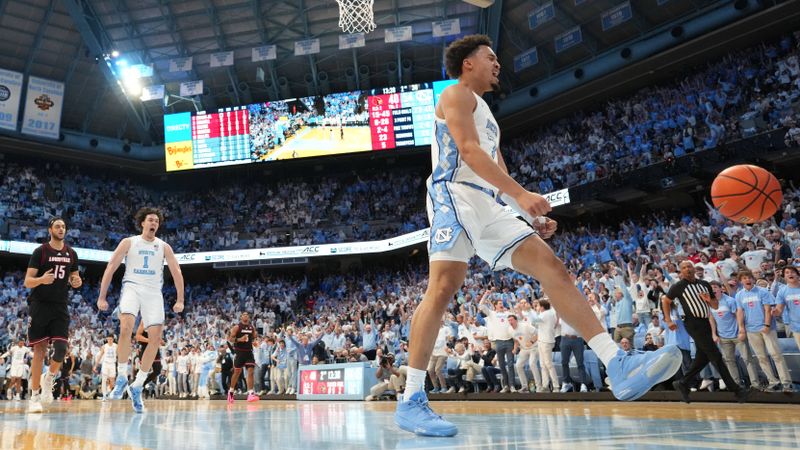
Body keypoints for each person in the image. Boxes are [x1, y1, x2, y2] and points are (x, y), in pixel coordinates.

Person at [395, 34, 682, 437]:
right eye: (490, 57)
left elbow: (499, 173)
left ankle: (616, 364)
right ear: (467, 65)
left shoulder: (488, 115)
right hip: (453, 193)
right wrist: (522, 196)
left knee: (552, 265)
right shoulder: (457, 95)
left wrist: (523, 214)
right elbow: (470, 154)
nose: (497, 64)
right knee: (443, 287)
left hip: (488, 203)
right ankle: (410, 398)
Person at [97, 207, 185, 413]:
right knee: (126, 327)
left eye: (157, 221)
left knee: (155, 339)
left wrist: (180, 299)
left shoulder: (164, 247)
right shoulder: (129, 242)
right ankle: (121, 376)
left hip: (154, 292)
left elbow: (176, 271)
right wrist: (102, 296)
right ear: (142, 223)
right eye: (150, 220)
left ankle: (137, 385)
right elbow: (111, 267)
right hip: (132, 286)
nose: (154, 223)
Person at [662, 261, 749, 403]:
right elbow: (666, 301)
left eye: (689, 266)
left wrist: (709, 300)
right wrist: (668, 320)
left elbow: (715, 306)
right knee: (716, 356)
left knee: (703, 357)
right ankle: (736, 390)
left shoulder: (704, 284)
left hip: (706, 322)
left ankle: (683, 383)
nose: (687, 269)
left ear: (694, 269)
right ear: (681, 272)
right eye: (683, 268)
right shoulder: (678, 286)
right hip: (692, 323)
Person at [22, 217, 82, 413]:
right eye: (57, 226)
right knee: (39, 351)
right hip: (40, 305)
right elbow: (28, 281)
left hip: (60, 306)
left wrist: (76, 281)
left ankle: (49, 378)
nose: (61, 229)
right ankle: (34, 396)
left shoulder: (71, 253)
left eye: (64, 226)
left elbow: (75, 276)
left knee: (61, 349)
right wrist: (41, 279)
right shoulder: (40, 251)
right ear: (50, 230)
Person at [735, 270, 792, 392]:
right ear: (741, 281)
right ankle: (773, 381)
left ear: (753, 279)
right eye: (744, 278)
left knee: (776, 355)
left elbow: (768, 309)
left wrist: (766, 325)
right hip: (751, 330)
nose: (747, 280)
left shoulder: (762, 291)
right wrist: (741, 328)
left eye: (749, 277)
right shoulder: (739, 295)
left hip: (766, 328)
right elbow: (740, 312)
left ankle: (786, 383)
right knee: (761, 357)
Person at [227, 312, 259, 403]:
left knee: (251, 371)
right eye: (244, 315)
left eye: (247, 315)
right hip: (239, 352)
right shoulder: (237, 327)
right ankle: (231, 392)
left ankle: (250, 394)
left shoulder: (251, 327)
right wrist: (239, 339)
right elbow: (230, 339)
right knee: (236, 373)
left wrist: (254, 342)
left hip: (249, 352)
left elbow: (254, 338)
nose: (246, 316)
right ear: (241, 317)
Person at [134, 321, 163, 397]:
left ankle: (141, 385)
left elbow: (158, 337)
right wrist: (149, 340)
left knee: (157, 370)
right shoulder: (144, 321)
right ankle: (136, 387)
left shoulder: (158, 321)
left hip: (154, 347)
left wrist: (161, 341)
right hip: (145, 348)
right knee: (144, 371)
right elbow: (137, 336)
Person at [96, 335, 117, 401]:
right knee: (104, 380)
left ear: (113, 339)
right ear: (107, 339)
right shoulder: (104, 346)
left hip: (112, 364)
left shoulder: (116, 346)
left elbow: (119, 354)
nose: (109, 340)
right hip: (105, 364)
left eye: (111, 339)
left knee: (112, 382)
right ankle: (104, 396)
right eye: (108, 339)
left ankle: (107, 392)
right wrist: (95, 365)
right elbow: (100, 355)